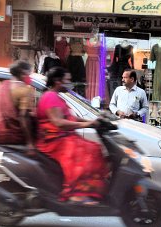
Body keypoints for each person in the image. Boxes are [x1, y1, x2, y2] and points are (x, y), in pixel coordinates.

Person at [36, 66, 108, 206]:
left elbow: (71, 118)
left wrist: (94, 122)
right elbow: (59, 122)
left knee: (94, 147)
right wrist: (87, 125)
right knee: (87, 152)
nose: (70, 83)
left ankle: (89, 190)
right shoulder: (50, 97)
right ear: (58, 81)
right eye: (67, 80)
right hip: (53, 140)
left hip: (62, 137)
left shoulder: (57, 96)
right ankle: (76, 194)